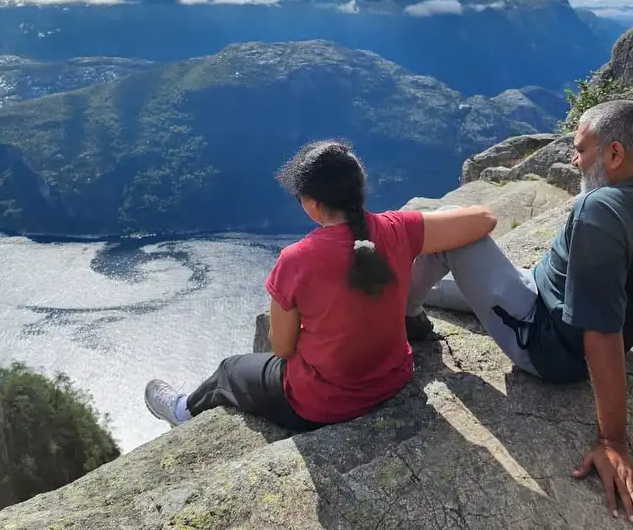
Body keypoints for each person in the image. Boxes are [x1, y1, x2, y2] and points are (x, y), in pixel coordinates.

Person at [405, 100, 633, 523]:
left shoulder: (598, 209)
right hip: (541, 288)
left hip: (543, 342)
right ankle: (418, 300)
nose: (573, 158)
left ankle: (405, 314)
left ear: (614, 155)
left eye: (581, 149)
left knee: (452, 231)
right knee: (464, 275)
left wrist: (612, 440)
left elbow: (601, 333)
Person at [144, 140, 499, 432]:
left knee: (230, 370)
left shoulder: (296, 259)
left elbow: (282, 350)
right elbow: (485, 219)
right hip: (393, 380)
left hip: (320, 405)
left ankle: (182, 411)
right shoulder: (399, 229)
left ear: (313, 204)